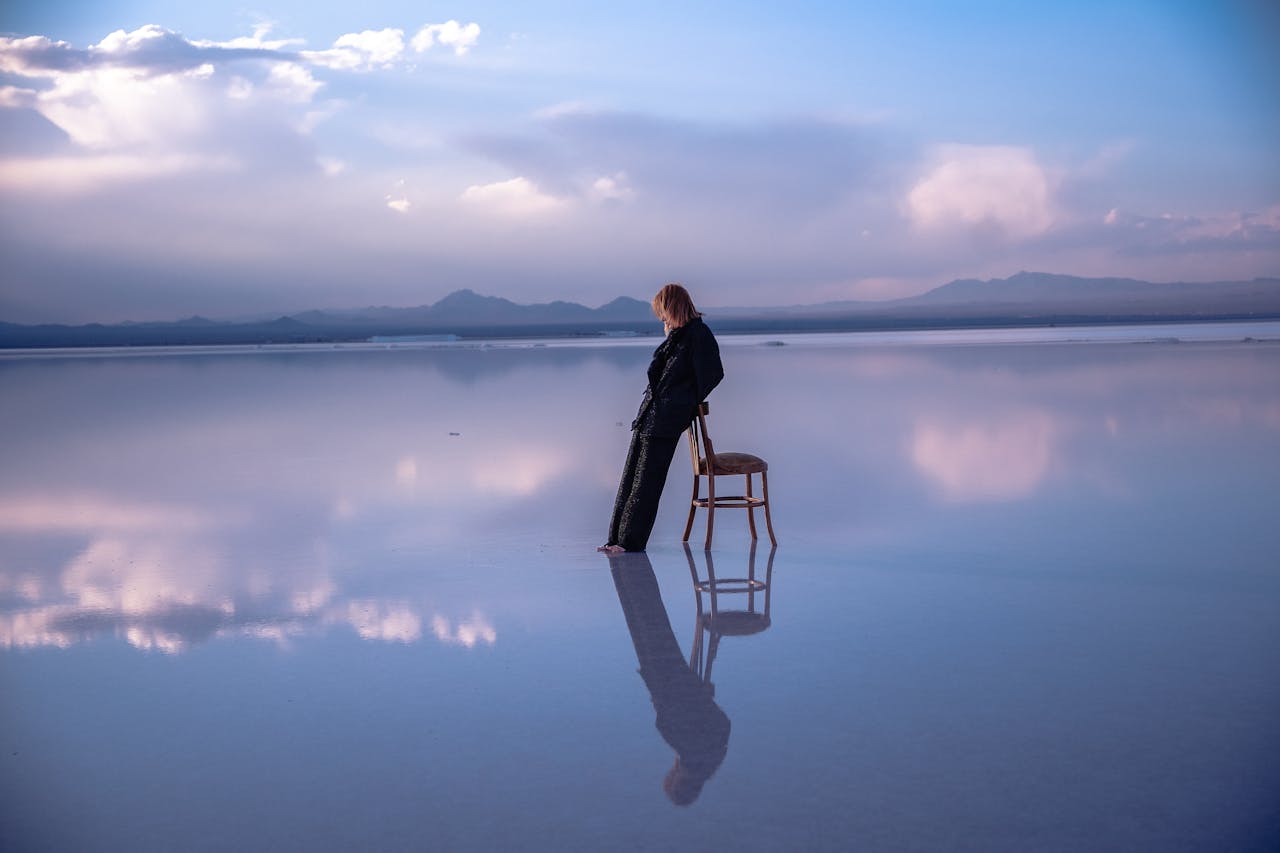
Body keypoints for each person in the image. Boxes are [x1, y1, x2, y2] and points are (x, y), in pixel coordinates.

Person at [599, 283, 723, 554]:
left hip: (667, 419)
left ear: (673, 307)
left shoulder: (698, 334)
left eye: (664, 314)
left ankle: (630, 542)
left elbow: (713, 374)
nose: (662, 320)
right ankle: (615, 539)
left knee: (648, 482)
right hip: (650, 416)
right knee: (631, 477)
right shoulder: (677, 337)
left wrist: (684, 401)